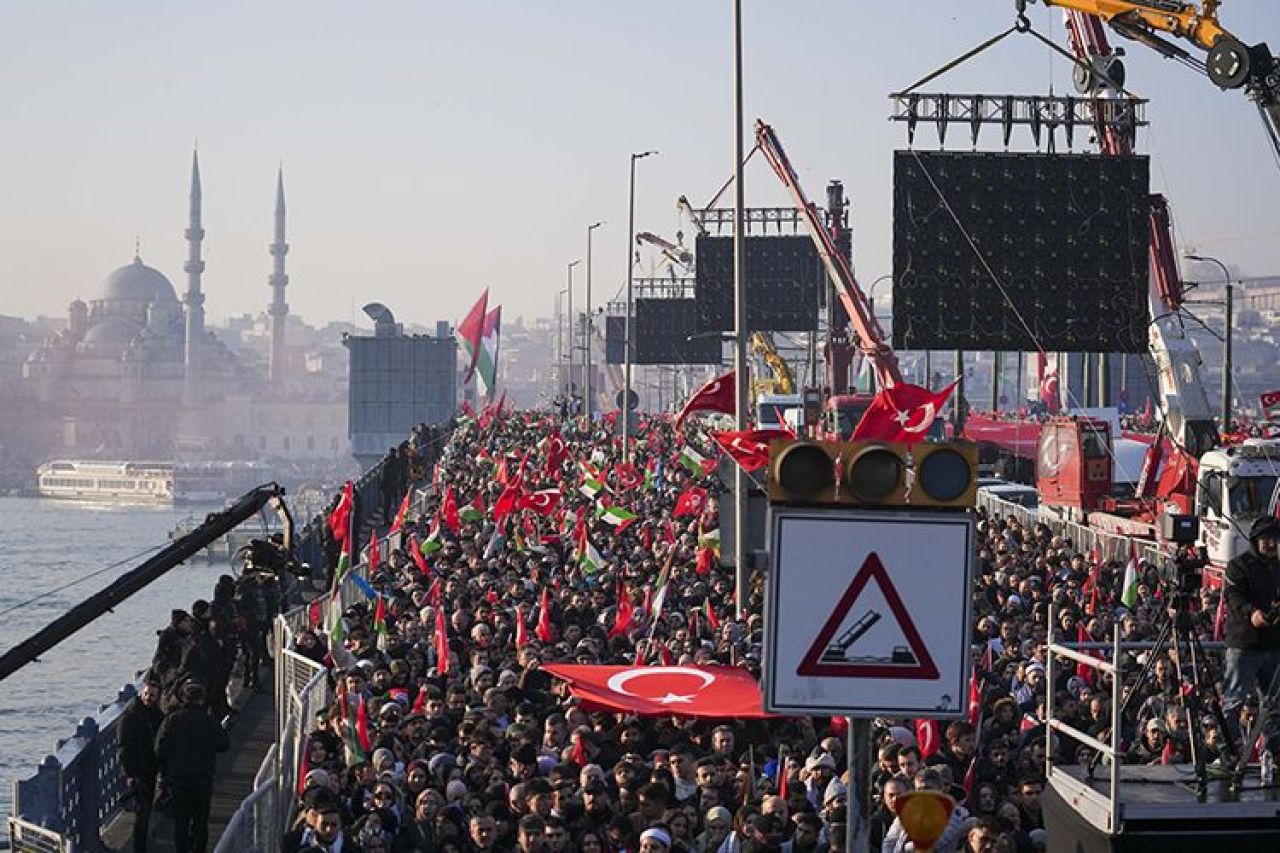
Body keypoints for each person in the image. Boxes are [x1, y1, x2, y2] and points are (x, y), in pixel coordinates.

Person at [1222, 515, 1280, 754]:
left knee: (1274, 704)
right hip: (1244, 645)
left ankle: (1273, 751)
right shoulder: (1238, 566)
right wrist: (1252, 614)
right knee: (1233, 701)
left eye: (1274, 539)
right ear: (1255, 540)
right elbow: (1234, 597)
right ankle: (1228, 750)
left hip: (1274, 645)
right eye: (1265, 539)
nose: (1270, 544)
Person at [154, 681, 230, 853]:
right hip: (202, 779)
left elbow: (159, 748)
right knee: (200, 821)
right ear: (201, 699)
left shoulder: (172, 720)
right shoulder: (207, 720)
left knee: (181, 821)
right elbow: (224, 745)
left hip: (179, 779)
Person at [118, 679, 164, 852]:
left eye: (152, 695)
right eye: (146, 693)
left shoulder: (156, 715)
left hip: (150, 769)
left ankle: (140, 846)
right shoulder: (131, 715)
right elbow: (124, 747)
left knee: (144, 812)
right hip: (138, 771)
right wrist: (129, 773)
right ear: (140, 693)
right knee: (142, 813)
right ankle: (139, 848)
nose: (148, 698)